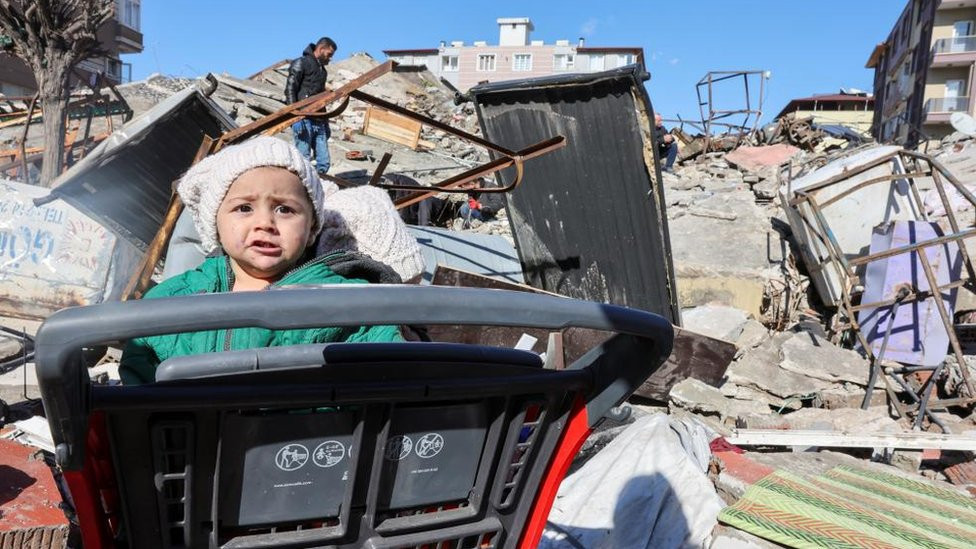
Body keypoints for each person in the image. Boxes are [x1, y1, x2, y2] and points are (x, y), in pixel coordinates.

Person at [119, 136, 402, 385]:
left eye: (284, 209)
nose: (265, 222)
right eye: (244, 208)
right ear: (215, 223)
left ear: (312, 226)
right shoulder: (175, 298)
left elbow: (390, 365)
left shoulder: (339, 299)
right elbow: (138, 366)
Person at [285, 37, 337, 176]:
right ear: (321, 49)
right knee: (303, 159)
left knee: (324, 161)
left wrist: (325, 121)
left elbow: (321, 98)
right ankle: (304, 188)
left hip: (318, 120)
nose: (330, 58)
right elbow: (290, 89)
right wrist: (295, 116)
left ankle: (319, 185)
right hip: (303, 118)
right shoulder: (301, 63)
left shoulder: (323, 71)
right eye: (329, 54)